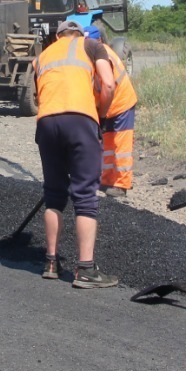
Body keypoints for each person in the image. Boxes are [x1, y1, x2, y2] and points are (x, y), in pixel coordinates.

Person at [35, 19, 117, 288]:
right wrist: (101, 114)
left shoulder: (43, 56)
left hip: (46, 123)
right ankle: (85, 270)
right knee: (85, 195)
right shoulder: (92, 45)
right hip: (81, 120)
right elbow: (108, 84)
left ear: (58, 37)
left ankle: (50, 263)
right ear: (79, 34)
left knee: (54, 194)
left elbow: (40, 95)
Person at [86, 26, 137, 200]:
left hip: (121, 104)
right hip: (107, 106)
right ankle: (107, 180)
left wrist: (100, 114)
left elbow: (107, 86)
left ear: (99, 41)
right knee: (107, 144)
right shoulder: (93, 55)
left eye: (90, 42)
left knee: (121, 146)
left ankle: (121, 184)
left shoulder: (103, 56)